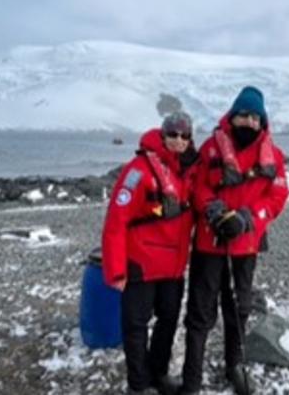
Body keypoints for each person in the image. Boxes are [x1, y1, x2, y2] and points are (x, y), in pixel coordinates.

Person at [179, 86, 289, 395]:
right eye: (244, 115)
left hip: (245, 245)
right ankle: (191, 380)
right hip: (208, 244)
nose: (249, 122)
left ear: (262, 121)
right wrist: (211, 208)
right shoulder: (211, 149)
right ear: (233, 115)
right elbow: (196, 185)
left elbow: (278, 195)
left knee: (239, 308)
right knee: (200, 312)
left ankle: (235, 366)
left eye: (255, 117)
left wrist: (249, 218)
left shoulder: (274, 156)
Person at [101, 111, 199, 395]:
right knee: (135, 326)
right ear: (163, 134)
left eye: (184, 136)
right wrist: (116, 270)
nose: (178, 141)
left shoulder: (189, 170)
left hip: (173, 267)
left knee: (168, 323)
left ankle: (157, 374)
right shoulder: (137, 171)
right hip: (141, 264)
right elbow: (116, 222)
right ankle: (139, 384)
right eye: (173, 135)